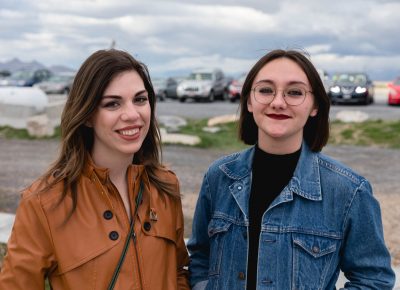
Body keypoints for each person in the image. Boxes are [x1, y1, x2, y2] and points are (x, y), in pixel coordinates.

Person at [187, 49, 395, 289]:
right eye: (265, 90)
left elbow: (374, 280)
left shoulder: (348, 191)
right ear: (249, 101)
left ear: (315, 105)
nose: (278, 102)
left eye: (294, 92)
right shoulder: (219, 176)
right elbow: (201, 258)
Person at [0, 49, 190, 290]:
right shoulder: (44, 203)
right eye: (112, 104)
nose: (132, 114)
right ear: (87, 115)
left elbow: (177, 272)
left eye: (140, 99)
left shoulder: (165, 186)